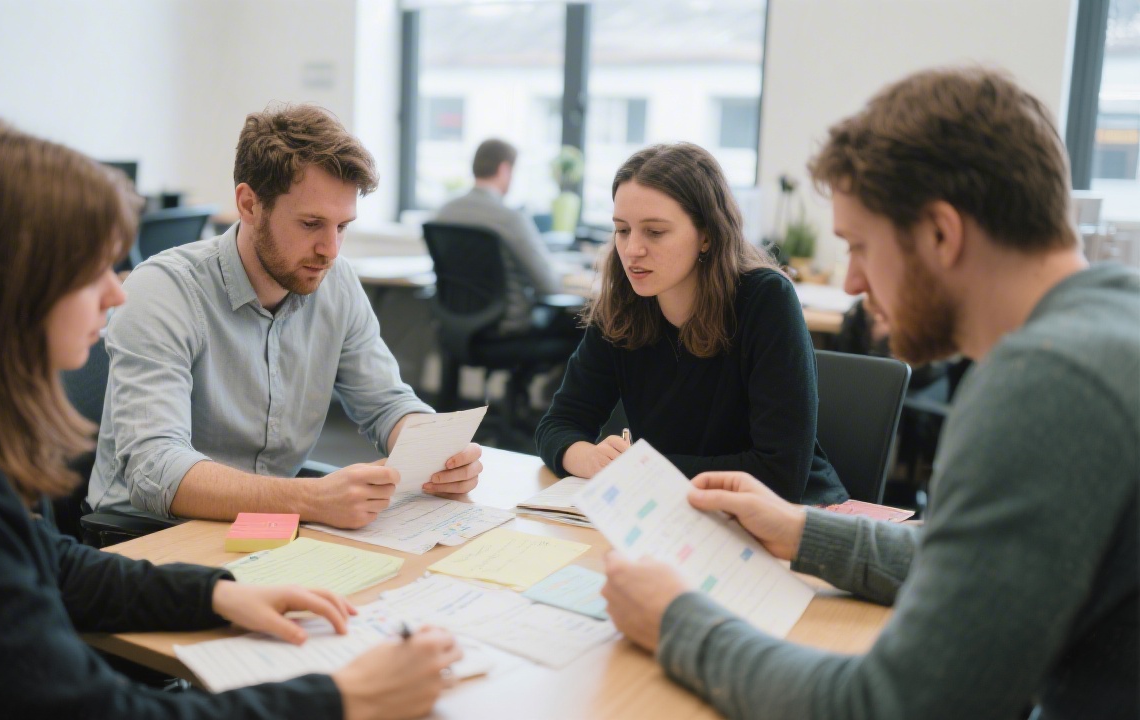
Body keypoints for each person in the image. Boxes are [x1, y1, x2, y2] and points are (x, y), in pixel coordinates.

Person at [0, 118, 462, 719]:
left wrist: (217, 595)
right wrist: (343, 698)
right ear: (0, 286)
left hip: (234, 546)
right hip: (149, 529)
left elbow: (50, 562)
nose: (115, 293)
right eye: (87, 269)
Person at [600, 68, 1138, 719]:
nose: (852, 282)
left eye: (859, 245)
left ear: (941, 233)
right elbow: (977, 567)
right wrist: (803, 530)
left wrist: (679, 622)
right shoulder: (1111, 325)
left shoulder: (1046, 383)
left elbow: (895, 705)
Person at [87, 104, 483, 528]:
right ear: (249, 205)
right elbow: (156, 471)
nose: (330, 250)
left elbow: (386, 402)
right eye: (311, 223)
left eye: (342, 226)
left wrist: (436, 453)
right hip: (145, 536)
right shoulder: (164, 290)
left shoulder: (337, 282)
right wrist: (310, 499)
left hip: (272, 522)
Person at [534, 142, 848, 505]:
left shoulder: (766, 300)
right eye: (622, 230)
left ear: (707, 234)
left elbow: (781, 474)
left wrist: (639, 468)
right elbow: (557, 425)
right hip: (673, 509)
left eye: (654, 232)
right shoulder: (624, 301)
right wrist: (585, 456)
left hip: (790, 520)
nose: (632, 249)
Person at [434, 138, 576, 337]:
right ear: (504, 169)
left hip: (455, 324)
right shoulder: (510, 218)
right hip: (507, 327)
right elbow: (549, 285)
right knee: (579, 327)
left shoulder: (444, 213)